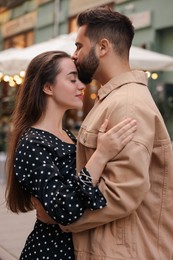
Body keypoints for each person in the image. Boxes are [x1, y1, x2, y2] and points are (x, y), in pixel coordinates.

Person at [49, 7, 172, 260]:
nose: (74, 55)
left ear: (102, 47)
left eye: (79, 46)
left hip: (121, 250)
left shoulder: (127, 104)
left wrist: (64, 217)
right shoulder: (113, 99)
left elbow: (121, 193)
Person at [5, 50, 137, 260]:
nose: (81, 86)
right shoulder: (32, 143)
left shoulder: (66, 135)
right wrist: (101, 155)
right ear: (48, 87)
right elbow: (65, 209)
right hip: (51, 252)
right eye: (72, 79)